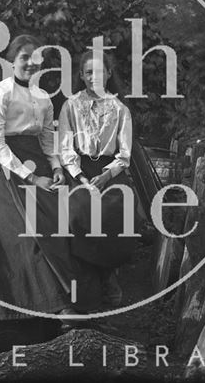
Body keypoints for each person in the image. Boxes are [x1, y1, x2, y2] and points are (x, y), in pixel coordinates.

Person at [0, 34, 103, 323]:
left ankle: (92, 294)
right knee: (30, 225)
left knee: (78, 207)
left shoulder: (43, 97)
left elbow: (47, 140)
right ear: (11, 61)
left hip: (37, 160)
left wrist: (55, 168)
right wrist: (32, 178)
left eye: (35, 57)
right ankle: (57, 304)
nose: (30, 62)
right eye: (23, 57)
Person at [58, 50, 139, 307]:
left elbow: (125, 153)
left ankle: (108, 273)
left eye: (100, 71)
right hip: (80, 170)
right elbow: (65, 147)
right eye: (89, 72)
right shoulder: (70, 105)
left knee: (119, 208)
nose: (95, 76)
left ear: (109, 74)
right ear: (82, 76)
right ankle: (90, 277)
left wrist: (108, 175)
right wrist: (80, 176)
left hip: (110, 170)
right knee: (80, 210)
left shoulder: (120, 109)